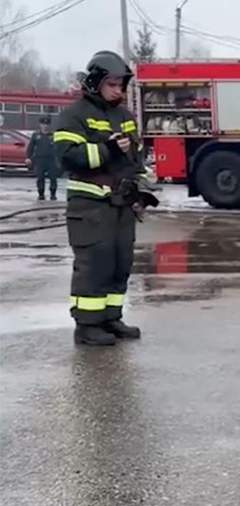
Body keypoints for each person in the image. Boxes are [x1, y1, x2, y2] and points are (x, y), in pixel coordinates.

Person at [54, 50, 157, 346]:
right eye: (112, 84)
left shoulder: (124, 116)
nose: (119, 90)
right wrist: (106, 150)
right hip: (90, 206)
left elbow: (134, 158)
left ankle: (112, 317)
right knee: (94, 264)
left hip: (121, 205)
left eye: (121, 85)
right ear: (96, 82)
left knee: (119, 262)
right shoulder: (74, 115)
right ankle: (87, 326)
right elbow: (68, 157)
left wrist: (139, 189)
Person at [26, 116, 60, 200]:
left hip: (51, 160)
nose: (45, 126)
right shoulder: (36, 135)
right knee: (40, 177)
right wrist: (28, 157)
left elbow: (59, 147)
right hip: (39, 159)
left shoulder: (53, 135)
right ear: (40, 125)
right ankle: (41, 194)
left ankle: (53, 194)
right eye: (43, 124)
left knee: (53, 177)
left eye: (47, 124)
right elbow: (30, 147)